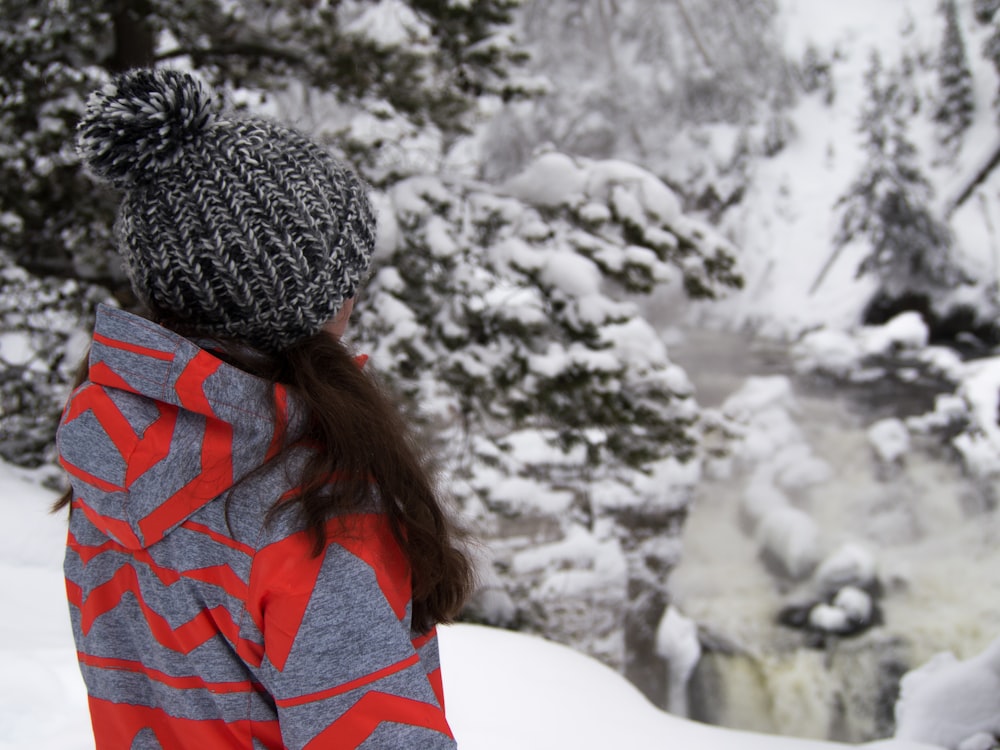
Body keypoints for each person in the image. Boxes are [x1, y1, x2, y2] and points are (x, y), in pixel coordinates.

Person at [54, 68, 474, 750]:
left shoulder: (115, 461)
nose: (354, 299)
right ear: (290, 305)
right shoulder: (309, 511)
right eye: (343, 280)